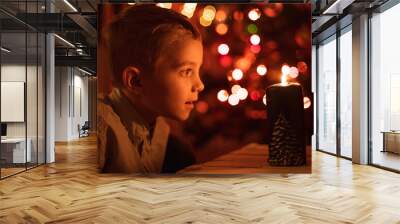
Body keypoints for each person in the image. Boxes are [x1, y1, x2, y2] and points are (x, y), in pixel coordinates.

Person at [98, 4, 204, 173]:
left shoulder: (168, 142)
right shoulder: (99, 131)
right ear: (136, 81)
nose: (199, 85)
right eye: (186, 71)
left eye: (198, 70)